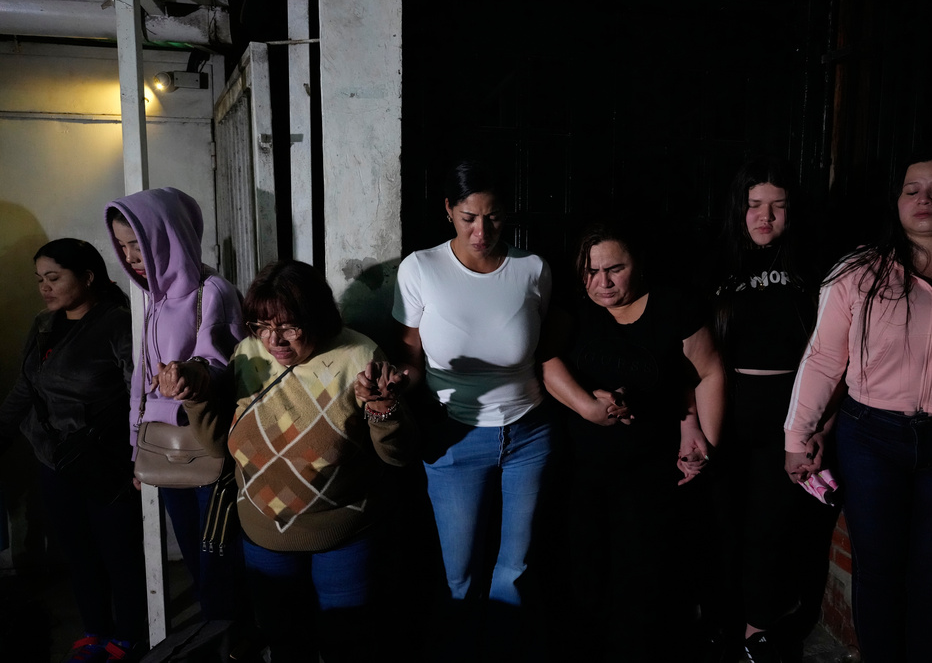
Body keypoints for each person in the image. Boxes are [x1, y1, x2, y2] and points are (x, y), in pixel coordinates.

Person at [784, 151, 932, 662]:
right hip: (871, 438)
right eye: (912, 189)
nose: (924, 199)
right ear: (896, 202)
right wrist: (797, 436)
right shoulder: (858, 272)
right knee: (878, 571)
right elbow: (824, 359)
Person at [185, 259, 416, 663]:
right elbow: (222, 445)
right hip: (264, 538)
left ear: (317, 317)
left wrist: (383, 408)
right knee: (285, 644)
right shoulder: (248, 353)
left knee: (349, 644)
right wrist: (196, 398)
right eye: (262, 325)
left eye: (289, 326)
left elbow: (396, 456)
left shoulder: (358, 355)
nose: (274, 340)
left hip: (342, 536)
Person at [377, 159, 559, 657]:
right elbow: (412, 355)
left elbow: (544, 352)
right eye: (468, 217)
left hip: (529, 433)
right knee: (458, 572)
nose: (482, 231)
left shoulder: (533, 269)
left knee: (515, 566)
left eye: (495, 217)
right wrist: (397, 382)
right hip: (454, 437)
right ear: (448, 211)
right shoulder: (421, 268)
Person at [541, 220, 726, 661]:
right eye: (591, 271)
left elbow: (707, 373)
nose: (602, 283)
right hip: (582, 468)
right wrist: (589, 404)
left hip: (649, 469)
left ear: (637, 265)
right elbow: (546, 363)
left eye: (614, 269)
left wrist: (703, 444)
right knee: (584, 574)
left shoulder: (672, 305)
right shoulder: (572, 307)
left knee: (642, 578)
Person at [707, 157, 838, 663]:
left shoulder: (814, 265)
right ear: (739, 209)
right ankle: (721, 619)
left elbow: (836, 354)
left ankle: (757, 628)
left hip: (790, 414)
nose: (765, 217)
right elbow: (691, 351)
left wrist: (821, 425)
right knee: (723, 523)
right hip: (728, 407)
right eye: (754, 205)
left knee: (771, 527)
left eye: (777, 207)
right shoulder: (716, 263)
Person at [104, 187, 247, 622]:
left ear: (168, 238)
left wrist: (189, 376)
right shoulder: (153, 299)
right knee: (194, 557)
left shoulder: (213, 291)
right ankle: (217, 633)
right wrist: (136, 450)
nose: (130, 256)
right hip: (165, 449)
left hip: (206, 445)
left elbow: (229, 365)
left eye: (139, 244)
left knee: (218, 563)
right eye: (122, 246)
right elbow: (141, 385)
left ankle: (231, 640)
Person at [0, 239, 147, 662]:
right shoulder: (43, 325)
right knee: (78, 553)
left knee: (117, 552)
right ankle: (95, 631)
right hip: (56, 460)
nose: (44, 288)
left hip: (107, 462)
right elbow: (24, 388)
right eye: (39, 280)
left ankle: (128, 635)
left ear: (87, 277)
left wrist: (142, 456)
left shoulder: (118, 324)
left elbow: (137, 391)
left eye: (54, 278)